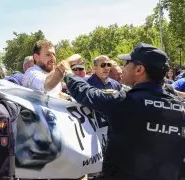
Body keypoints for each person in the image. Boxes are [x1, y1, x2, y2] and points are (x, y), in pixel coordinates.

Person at [64, 42, 185, 180]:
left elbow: (86, 93)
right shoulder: (180, 106)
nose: (123, 67)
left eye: (127, 63)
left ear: (139, 69)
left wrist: (68, 72)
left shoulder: (125, 101)